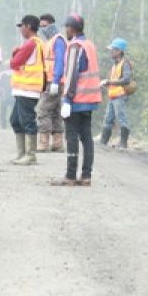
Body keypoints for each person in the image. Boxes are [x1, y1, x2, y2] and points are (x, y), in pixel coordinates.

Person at [52, 14, 100, 186]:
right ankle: (86, 176)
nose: (66, 30)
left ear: (72, 28)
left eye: (67, 27)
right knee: (86, 137)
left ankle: (70, 175)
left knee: (71, 136)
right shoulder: (89, 45)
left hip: (76, 99)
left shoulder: (75, 46)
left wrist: (67, 100)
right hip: (90, 99)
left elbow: (72, 74)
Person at [8, 15, 48, 165]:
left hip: (27, 88)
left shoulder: (30, 44)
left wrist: (14, 54)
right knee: (16, 120)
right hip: (24, 89)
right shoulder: (36, 43)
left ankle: (30, 154)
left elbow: (14, 63)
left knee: (27, 120)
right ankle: (22, 153)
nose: (20, 29)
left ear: (29, 26)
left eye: (22, 26)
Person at [35, 13, 67, 153]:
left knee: (43, 110)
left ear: (51, 25)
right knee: (55, 111)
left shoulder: (58, 40)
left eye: (44, 26)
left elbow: (60, 61)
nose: (42, 29)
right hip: (51, 81)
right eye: (41, 26)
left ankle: (44, 143)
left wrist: (55, 80)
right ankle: (58, 143)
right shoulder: (50, 41)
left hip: (54, 81)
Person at [100, 38, 134, 149]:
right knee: (108, 119)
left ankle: (123, 144)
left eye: (113, 50)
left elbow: (126, 80)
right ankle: (103, 143)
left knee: (121, 118)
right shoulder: (115, 64)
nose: (111, 52)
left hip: (120, 95)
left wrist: (109, 82)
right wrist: (108, 83)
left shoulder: (125, 63)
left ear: (119, 51)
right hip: (113, 96)